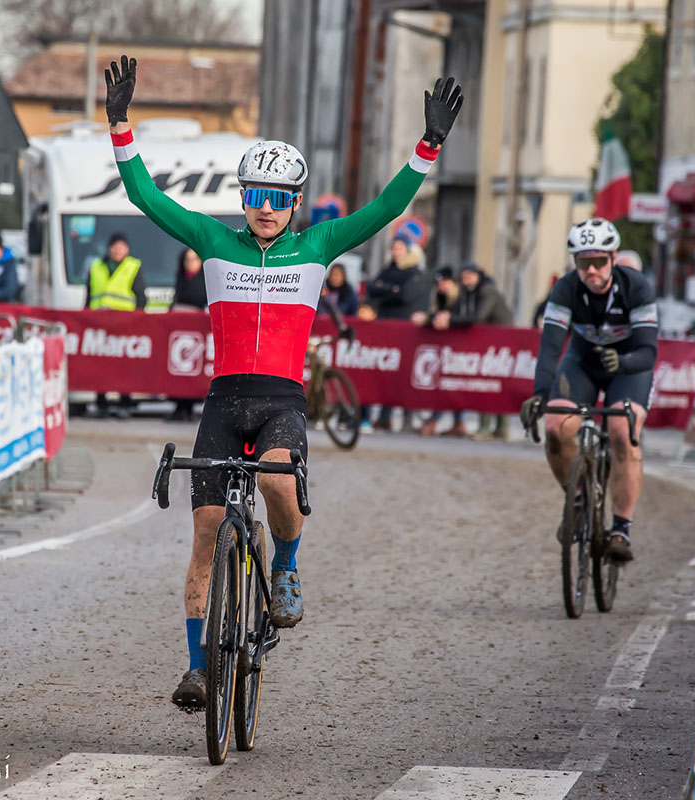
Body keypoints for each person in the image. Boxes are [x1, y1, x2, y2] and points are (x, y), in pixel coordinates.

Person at [102, 54, 464, 708]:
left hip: (280, 402)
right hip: (224, 402)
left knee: (275, 478)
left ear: (295, 202)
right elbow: (145, 197)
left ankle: (286, 566)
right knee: (207, 532)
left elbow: (386, 208)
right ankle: (197, 668)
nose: (265, 209)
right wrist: (121, 126)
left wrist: (427, 147)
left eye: (277, 198)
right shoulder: (213, 239)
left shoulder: (318, 245)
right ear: (242, 199)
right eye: (254, 196)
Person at [520, 217, 658, 564]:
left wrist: (622, 363)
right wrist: (540, 392)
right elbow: (551, 346)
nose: (592, 269)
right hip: (581, 362)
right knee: (555, 427)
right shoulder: (566, 289)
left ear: (614, 259)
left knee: (622, 433)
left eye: (599, 261)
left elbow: (647, 351)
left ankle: (621, 529)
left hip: (628, 367)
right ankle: (578, 501)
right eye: (584, 262)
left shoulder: (636, 288)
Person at [365, 234, 431, 431]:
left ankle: (407, 417)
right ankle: (384, 416)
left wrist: (385, 291)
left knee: (404, 375)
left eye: (399, 248)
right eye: (393, 248)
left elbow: (405, 295)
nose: (395, 252)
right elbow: (371, 287)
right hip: (386, 329)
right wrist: (390, 290)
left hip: (405, 333)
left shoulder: (415, 273)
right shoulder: (388, 270)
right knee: (386, 375)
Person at [85, 232, 147, 418]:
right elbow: (89, 295)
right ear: (109, 247)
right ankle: (101, 401)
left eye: (121, 246)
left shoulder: (133, 266)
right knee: (100, 362)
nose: (118, 250)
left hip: (124, 324)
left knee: (123, 364)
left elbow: (140, 296)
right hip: (100, 322)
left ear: (126, 249)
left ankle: (125, 401)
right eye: (115, 246)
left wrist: (138, 320)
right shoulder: (96, 266)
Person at [452, 263, 513, 439]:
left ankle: (494, 427)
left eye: (469, 276)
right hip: (487, 343)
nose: (466, 280)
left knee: (493, 383)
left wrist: (452, 320)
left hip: (499, 344)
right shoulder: (467, 293)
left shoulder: (487, 292)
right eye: (464, 277)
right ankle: (495, 427)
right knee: (489, 383)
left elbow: (479, 317)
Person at [417, 266, 465, 436]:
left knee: (454, 383)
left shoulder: (460, 296)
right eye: (439, 282)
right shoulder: (439, 296)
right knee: (447, 382)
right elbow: (437, 314)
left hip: (461, 345)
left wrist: (447, 319)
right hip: (446, 345)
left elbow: (460, 317)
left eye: (445, 282)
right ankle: (456, 422)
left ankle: (441, 420)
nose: (442, 285)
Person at [169, 248, 207, 422]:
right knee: (178, 371)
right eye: (187, 259)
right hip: (180, 332)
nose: (190, 263)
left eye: (194, 259)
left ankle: (189, 407)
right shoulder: (181, 280)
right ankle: (178, 406)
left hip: (197, 333)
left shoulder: (206, 281)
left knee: (192, 370)